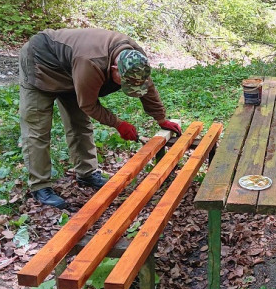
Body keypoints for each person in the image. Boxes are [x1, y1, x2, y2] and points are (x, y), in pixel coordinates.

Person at [19, 28, 182, 209]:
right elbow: (88, 105)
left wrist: (160, 118)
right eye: (124, 82)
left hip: (71, 68)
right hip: (40, 62)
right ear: (114, 69)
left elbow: (146, 86)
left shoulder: (135, 58)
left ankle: (86, 173)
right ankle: (40, 186)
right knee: (38, 128)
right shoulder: (91, 63)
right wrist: (118, 124)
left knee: (79, 123)